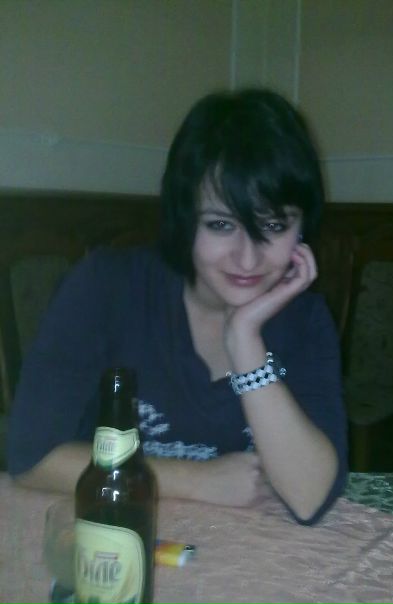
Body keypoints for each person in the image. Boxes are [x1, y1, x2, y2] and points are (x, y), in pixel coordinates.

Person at [7, 88, 347, 524]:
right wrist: (194, 480)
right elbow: (31, 457)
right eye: (220, 225)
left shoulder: (305, 319)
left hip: (245, 547)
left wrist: (245, 342)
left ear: (301, 229)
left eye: (274, 226)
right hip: (114, 529)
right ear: (184, 219)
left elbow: (309, 497)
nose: (247, 259)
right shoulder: (105, 287)